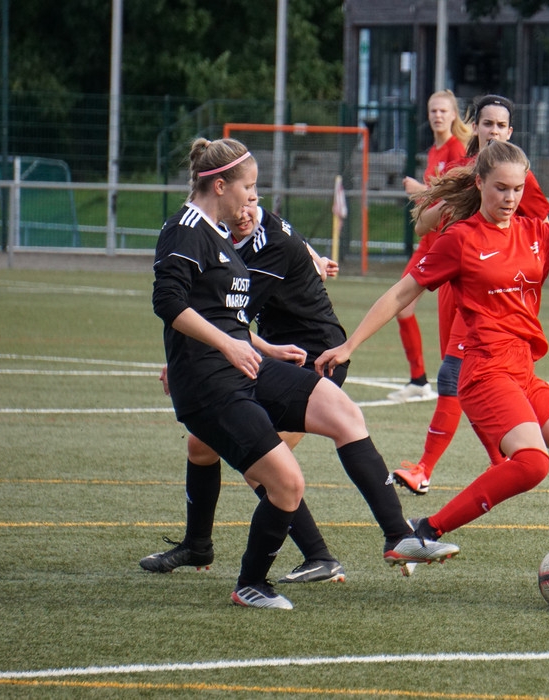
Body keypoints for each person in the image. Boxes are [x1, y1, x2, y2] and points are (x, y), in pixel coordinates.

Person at [316, 140, 549, 605]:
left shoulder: (536, 234)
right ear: (480, 183)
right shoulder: (461, 239)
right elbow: (403, 293)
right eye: (501, 188)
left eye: (517, 188)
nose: (509, 197)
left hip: (523, 372)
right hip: (484, 373)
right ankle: (422, 532)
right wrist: (349, 344)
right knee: (533, 463)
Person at [152, 137, 459, 609]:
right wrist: (224, 345)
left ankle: (399, 536)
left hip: (242, 367)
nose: (251, 199)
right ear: (219, 185)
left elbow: (224, 314)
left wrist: (261, 344)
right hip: (208, 384)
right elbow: (169, 303)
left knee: (342, 411)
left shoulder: (220, 232)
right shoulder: (186, 228)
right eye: (247, 188)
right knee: (286, 483)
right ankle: (251, 582)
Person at [141, 202, 350, 585]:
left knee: (264, 462)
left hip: (309, 358)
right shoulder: (232, 230)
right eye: (243, 198)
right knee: (201, 446)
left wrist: (193, 353)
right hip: (274, 354)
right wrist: (316, 257)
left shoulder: (256, 236)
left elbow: (225, 315)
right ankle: (198, 544)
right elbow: (292, 241)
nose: (246, 209)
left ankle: (319, 556)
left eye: (252, 197)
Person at [392, 93, 549, 496]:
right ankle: (503, 464)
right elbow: (425, 224)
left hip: (492, 293)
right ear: (475, 127)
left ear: (509, 131)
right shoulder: (465, 170)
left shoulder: (519, 174)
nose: (493, 131)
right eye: (487, 124)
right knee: (463, 380)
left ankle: (424, 468)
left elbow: (544, 230)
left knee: (451, 374)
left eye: (501, 125)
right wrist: (443, 198)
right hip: (456, 285)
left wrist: (515, 263)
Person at [389, 90, 471, 403]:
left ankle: (455, 379)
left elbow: (454, 197)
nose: (437, 115)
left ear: (453, 115)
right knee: (402, 305)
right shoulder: (435, 151)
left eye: (443, 111)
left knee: (452, 318)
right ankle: (419, 379)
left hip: (446, 244)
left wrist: (419, 190)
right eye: (433, 110)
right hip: (428, 243)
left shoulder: (456, 150)